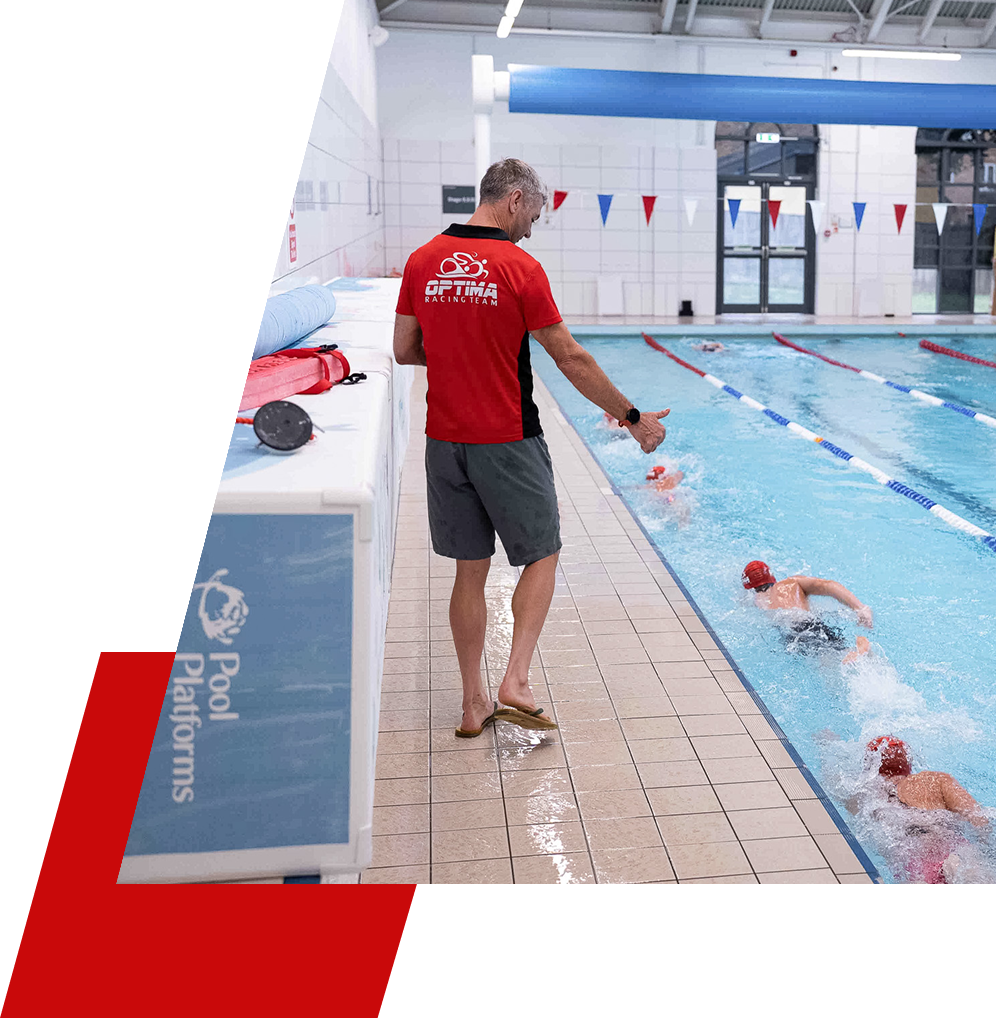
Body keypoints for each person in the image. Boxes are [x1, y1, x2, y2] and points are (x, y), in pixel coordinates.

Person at [393, 158, 671, 738]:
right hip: (507, 438)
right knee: (542, 552)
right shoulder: (520, 267)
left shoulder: (422, 260)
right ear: (515, 199)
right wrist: (633, 417)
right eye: (535, 215)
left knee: (469, 570)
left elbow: (404, 348)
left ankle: (472, 704)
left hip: (444, 440)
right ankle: (515, 679)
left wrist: (459, 359)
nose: (532, 229)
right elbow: (569, 356)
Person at [818, 732, 991, 888]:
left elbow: (832, 784)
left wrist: (826, 744)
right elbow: (980, 821)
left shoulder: (866, 793)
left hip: (916, 864)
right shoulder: (936, 780)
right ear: (908, 762)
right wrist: (986, 850)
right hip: (956, 853)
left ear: (870, 766)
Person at [741, 560, 872, 663]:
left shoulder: (756, 600)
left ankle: (854, 651)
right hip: (809, 623)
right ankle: (856, 648)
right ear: (771, 576)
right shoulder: (791, 583)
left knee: (828, 663)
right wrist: (860, 608)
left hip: (792, 632)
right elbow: (827, 585)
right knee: (832, 649)